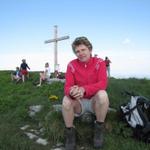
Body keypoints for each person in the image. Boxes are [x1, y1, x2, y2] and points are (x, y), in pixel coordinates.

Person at [62, 36, 109, 150]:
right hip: (79, 102)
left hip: (94, 102)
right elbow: (67, 87)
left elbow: (103, 83)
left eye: (83, 50)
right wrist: (72, 92)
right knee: (65, 100)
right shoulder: (71, 65)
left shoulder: (100, 62)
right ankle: (70, 134)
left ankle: (98, 129)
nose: (80, 53)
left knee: (103, 94)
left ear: (90, 49)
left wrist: (84, 89)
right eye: (77, 51)